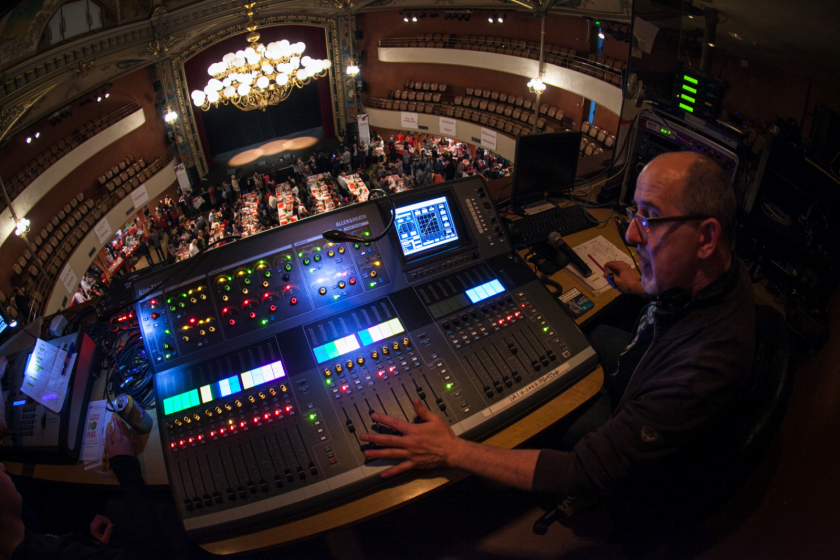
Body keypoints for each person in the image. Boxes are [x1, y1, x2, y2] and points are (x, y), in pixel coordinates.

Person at [361, 152, 756, 542]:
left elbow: (580, 472)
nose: (632, 234)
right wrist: (645, 286)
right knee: (592, 335)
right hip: (642, 364)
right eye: (634, 213)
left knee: (527, 423)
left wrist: (452, 452)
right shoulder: (721, 274)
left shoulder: (700, 372)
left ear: (706, 237)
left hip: (634, 448)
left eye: (650, 218)